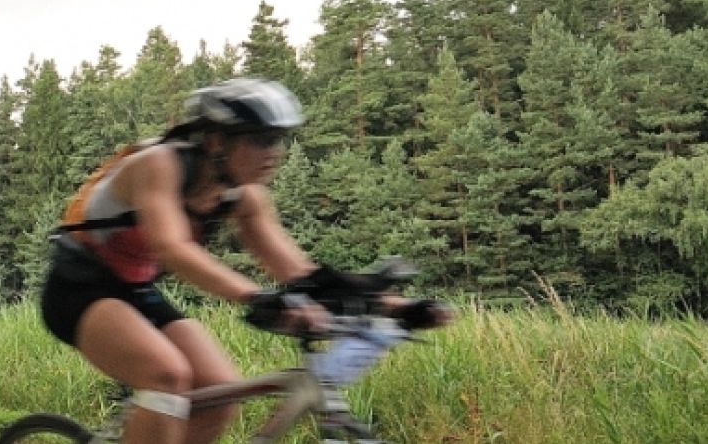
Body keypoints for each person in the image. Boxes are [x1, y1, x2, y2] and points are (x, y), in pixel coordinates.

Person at [41, 77, 453, 444]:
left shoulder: (246, 195)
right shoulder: (158, 164)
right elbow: (173, 248)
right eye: (261, 139)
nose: (274, 153)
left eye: (279, 140)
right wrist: (256, 298)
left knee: (221, 391)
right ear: (217, 140)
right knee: (167, 375)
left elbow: (300, 274)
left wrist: (399, 307)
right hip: (79, 286)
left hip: (134, 290)